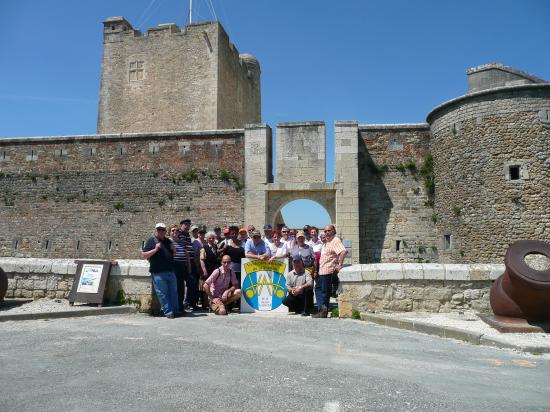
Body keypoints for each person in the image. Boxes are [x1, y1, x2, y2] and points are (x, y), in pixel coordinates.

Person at [141, 223, 178, 319]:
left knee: (173, 292)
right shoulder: (151, 241)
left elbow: (173, 254)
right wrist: (156, 249)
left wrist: (174, 251)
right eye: (159, 229)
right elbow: (144, 255)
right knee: (162, 293)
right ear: (156, 230)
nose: (160, 231)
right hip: (158, 272)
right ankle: (168, 312)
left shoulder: (167, 241)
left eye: (162, 229)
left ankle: (175, 311)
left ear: (165, 231)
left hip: (170, 271)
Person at [312, 224, 346, 318]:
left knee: (324, 292)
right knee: (319, 289)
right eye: (325, 231)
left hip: (328, 270)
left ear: (334, 231)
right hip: (322, 271)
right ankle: (322, 309)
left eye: (329, 230)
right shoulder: (327, 242)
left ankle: (323, 311)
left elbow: (343, 251)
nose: (327, 232)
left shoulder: (335, 240)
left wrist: (340, 264)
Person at [179, 219, 199, 310]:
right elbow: (183, 248)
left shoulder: (187, 235)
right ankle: (185, 302)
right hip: (185, 262)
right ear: (181, 225)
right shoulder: (180, 234)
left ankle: (188, 302)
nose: (187, 226)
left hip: (190, 261)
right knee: (188, 282)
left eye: (188, 225)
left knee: (192, 283)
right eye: (185, 224)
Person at [168, 224, 186, 313]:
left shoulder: (182, 241)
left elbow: (186, 254)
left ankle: (180, 306)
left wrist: (188, 267)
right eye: (173, 230)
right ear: (169, 232)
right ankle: (173, 307)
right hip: (173, 266)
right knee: (173, 287)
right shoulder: (167, 242)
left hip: (182, 266)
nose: (175, 232)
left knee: (181, 287)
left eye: (177, 230)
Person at [199, 231, 219, 309]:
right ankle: (205, 304)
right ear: (207, 239)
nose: (211, 239)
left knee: (213, 287)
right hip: (207, 270)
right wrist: (204, 270)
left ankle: (213, 303)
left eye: (213, 238)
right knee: (205, 287)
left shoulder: (215, 246)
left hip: (214, 270)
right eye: (210, 238)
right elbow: (201, 260)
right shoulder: (204, 247)